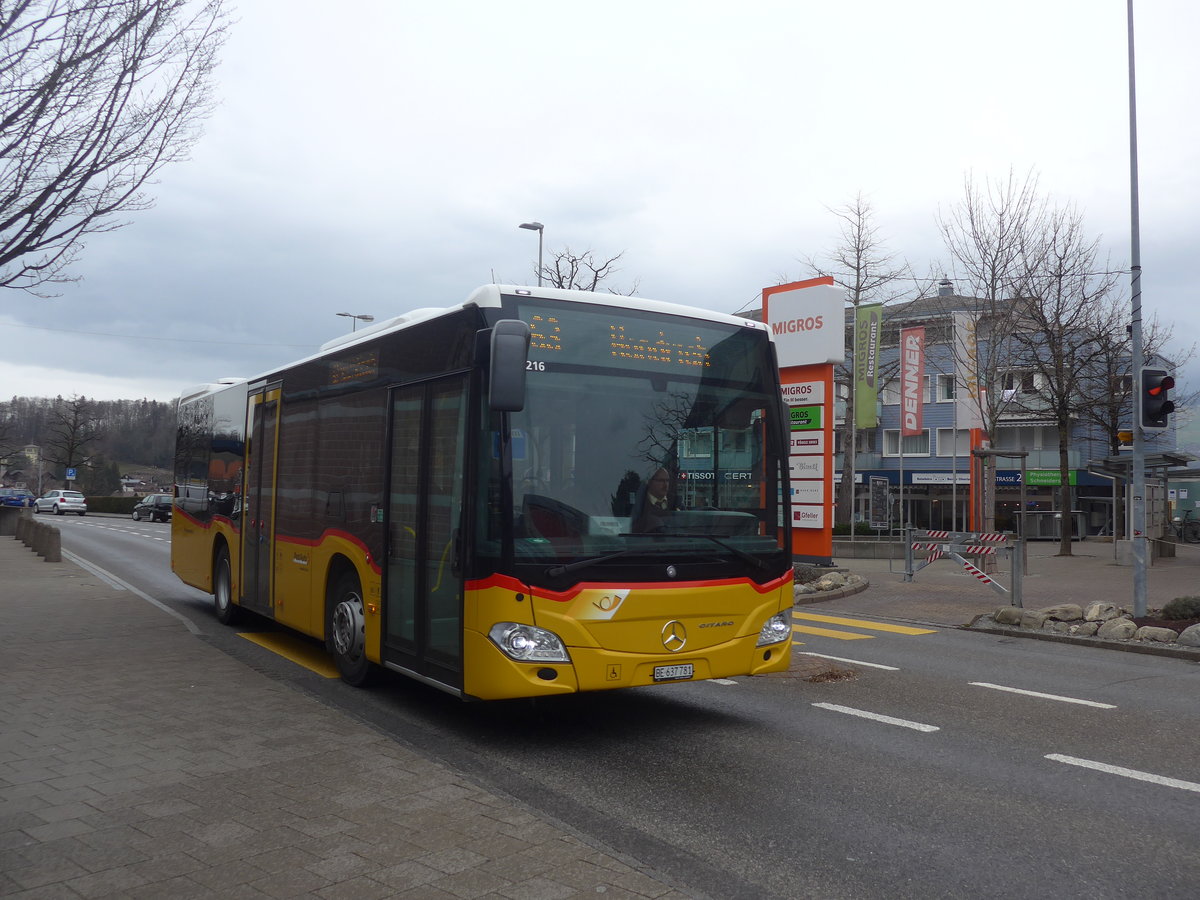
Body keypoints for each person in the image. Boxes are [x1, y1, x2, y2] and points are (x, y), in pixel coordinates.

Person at [634, 467, 675, 533]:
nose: (665, 485)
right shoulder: (641, 504)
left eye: (667, 480)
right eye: (661, 480)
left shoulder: (675, 502)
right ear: (650, 482)